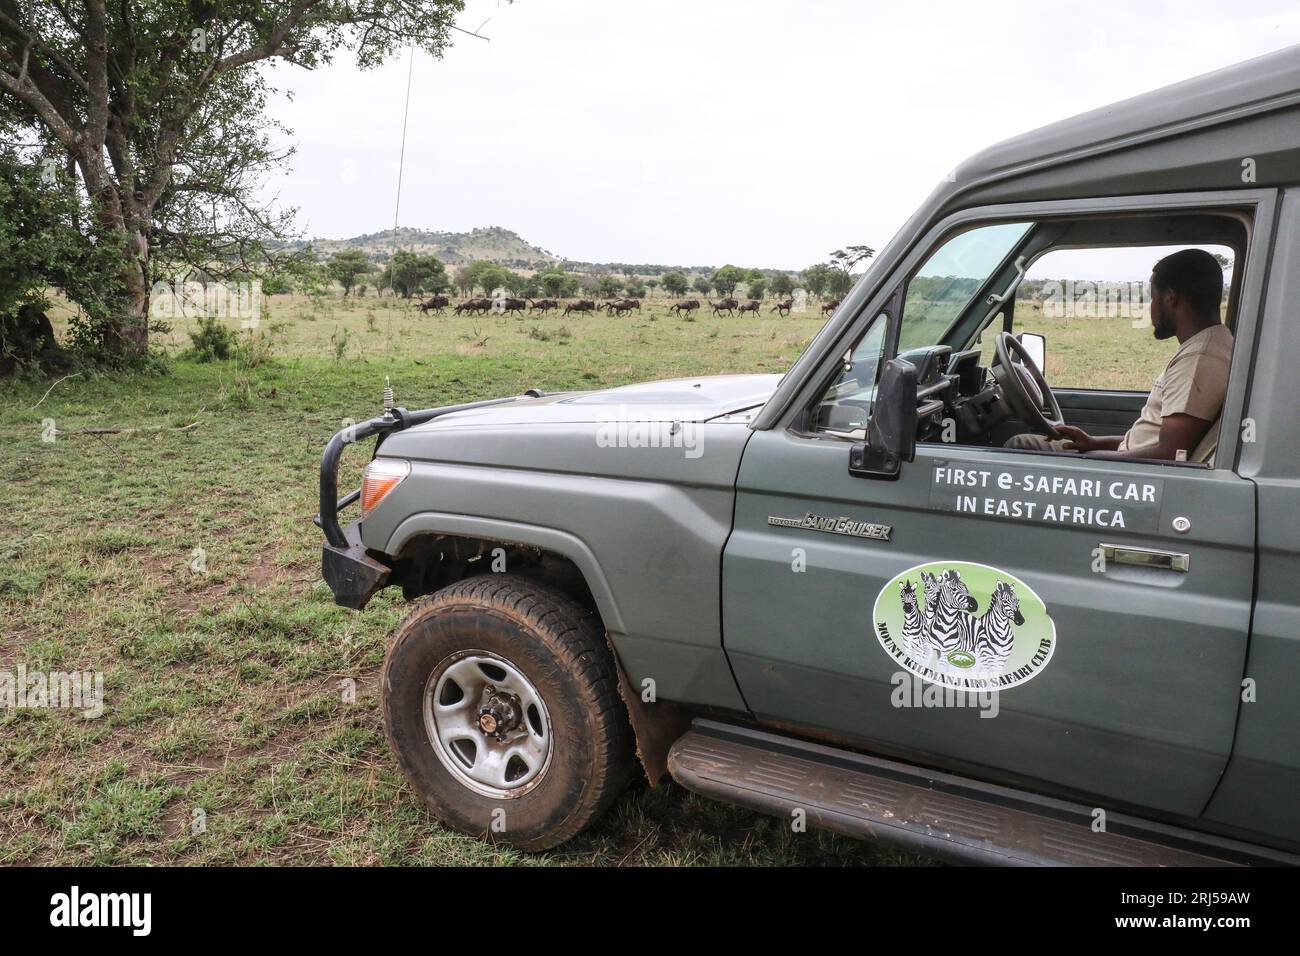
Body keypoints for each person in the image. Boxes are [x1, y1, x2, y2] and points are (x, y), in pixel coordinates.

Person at [1005, 248, 1233, 460]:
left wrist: (1093, 459)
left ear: (1171, 298)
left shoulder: (1199, 359)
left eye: (1153, 297)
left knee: (1020, 444)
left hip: (1135, 474)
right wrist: (1093, 443)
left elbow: (1170, 455)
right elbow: (1148, 443)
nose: (1151, 307)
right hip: (1131, 462)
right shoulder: (1212, 344)